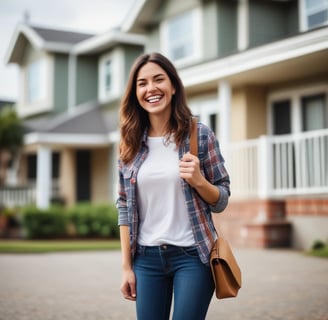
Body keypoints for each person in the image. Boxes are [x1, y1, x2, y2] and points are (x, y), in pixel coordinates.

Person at [116, 52, 230, 320]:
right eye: (142, 83)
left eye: (159, 80)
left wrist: (199, 181)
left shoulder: (198, 134)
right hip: (146, 260)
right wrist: (126, 267)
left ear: (173, 86)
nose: (151, 88)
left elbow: (222, 198)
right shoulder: (129, 143)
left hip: (193, 257)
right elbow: (123, 206)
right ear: (135, 93)